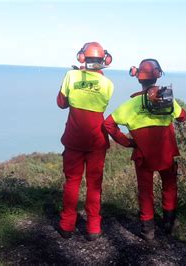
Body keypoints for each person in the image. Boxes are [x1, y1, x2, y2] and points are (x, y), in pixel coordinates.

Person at [104, 59, 186, 241]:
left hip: (143, 154)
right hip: (166, 151)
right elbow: (183, 117)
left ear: (139, 78)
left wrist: (127, 142)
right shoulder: (166, 99)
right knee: (170, 186)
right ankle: (169, 223)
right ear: (157, 76)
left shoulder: (132, 104)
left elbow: (108, 124)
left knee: (145, 191)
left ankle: (148, 230)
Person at [56, 42, 114, 241]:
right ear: (104, 61)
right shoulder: (108, 84)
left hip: (73, 139)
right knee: (94, 184)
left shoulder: (71, 76)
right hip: (96, 141)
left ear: (82, 58)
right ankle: (93, 228)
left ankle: (66, 225)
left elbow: (61, 103)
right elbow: (101, 104)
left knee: (72, 182)